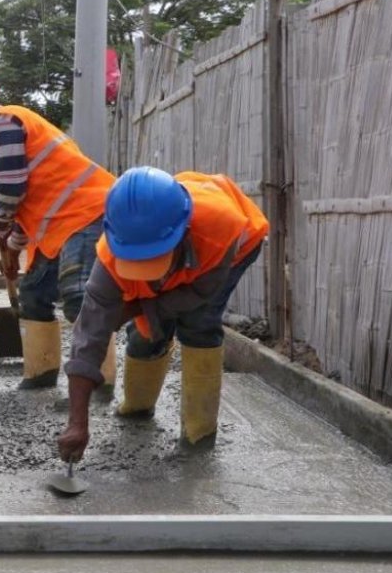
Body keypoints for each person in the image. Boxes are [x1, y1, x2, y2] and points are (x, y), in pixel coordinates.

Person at [58, 167, 269, 461]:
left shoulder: (221, 228)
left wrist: (142, 307)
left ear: (183, 235)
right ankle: (138, 406)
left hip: (231, 250)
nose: (151, 277)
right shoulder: (109, 259)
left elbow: (198, 294)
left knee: (199, 324)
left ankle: (199, 434)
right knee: (147, 329)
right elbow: (87, 340)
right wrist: (77, 424)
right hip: (182, 243)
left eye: (155, 261)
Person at [0, 78, 118, 390]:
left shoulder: (1, 122)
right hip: (62, 225)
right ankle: (41, 372)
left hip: (86, 215)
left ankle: (96, 384)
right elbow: (30, 203)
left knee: (79, 297)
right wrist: (11, 246)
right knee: (34, 294)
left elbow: (11, 190)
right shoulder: (17, 126)